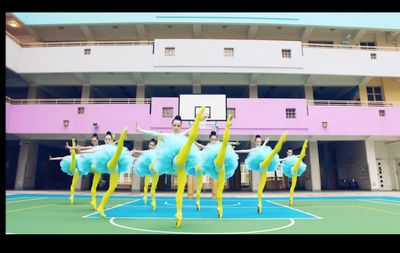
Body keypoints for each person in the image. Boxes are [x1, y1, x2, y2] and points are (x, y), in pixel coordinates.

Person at [136, 106, 205, 227]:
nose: (177, 128)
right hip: (175, 161)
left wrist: (197, 124)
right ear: (171, 125)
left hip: (182, 166)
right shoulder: (168, 136)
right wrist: (140, 130)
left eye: (179, 126)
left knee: (180, 190)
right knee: (189, 142)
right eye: (175, 125)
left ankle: (179, 213)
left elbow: (190, 130)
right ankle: (197, 119)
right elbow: (154, 133)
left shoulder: (182, 134)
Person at [199, 115, 238, 219]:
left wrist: (234, 143)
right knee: (224, 145)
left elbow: (225, 143)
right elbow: (203, 147)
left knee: (219, 190)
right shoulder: (209, 147)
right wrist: (194, 142)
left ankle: (220, 208)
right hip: (216, 163)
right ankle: (227, 126)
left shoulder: (218, 144)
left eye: (215, 139)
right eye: (212, 139)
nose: (213, 141)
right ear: (209, 139)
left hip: (222, 170)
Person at [132, 138, 160, 210]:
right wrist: (135, 151)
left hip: (155, 170)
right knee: (146, 184)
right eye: (150, 145)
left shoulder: (157, 151)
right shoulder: (147, 152)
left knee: (153, 187)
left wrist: (159, 139)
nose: (151, 146)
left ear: (155, 146)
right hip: (148, 170)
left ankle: (153, 201)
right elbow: (142, 151)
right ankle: (145, 196)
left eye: (153, 145)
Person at [281, 140, 308, 206]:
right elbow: (281, 160)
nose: (290, 153)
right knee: (294, 167)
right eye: (289, 152)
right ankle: (291, 198)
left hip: (295, 172)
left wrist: (302, 155)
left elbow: (298, 156)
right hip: (291, 170)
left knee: (293, 186)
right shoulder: (286, 158)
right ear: (287, 152)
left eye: (291, 152)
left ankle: (291, 198)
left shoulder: (294, 157)